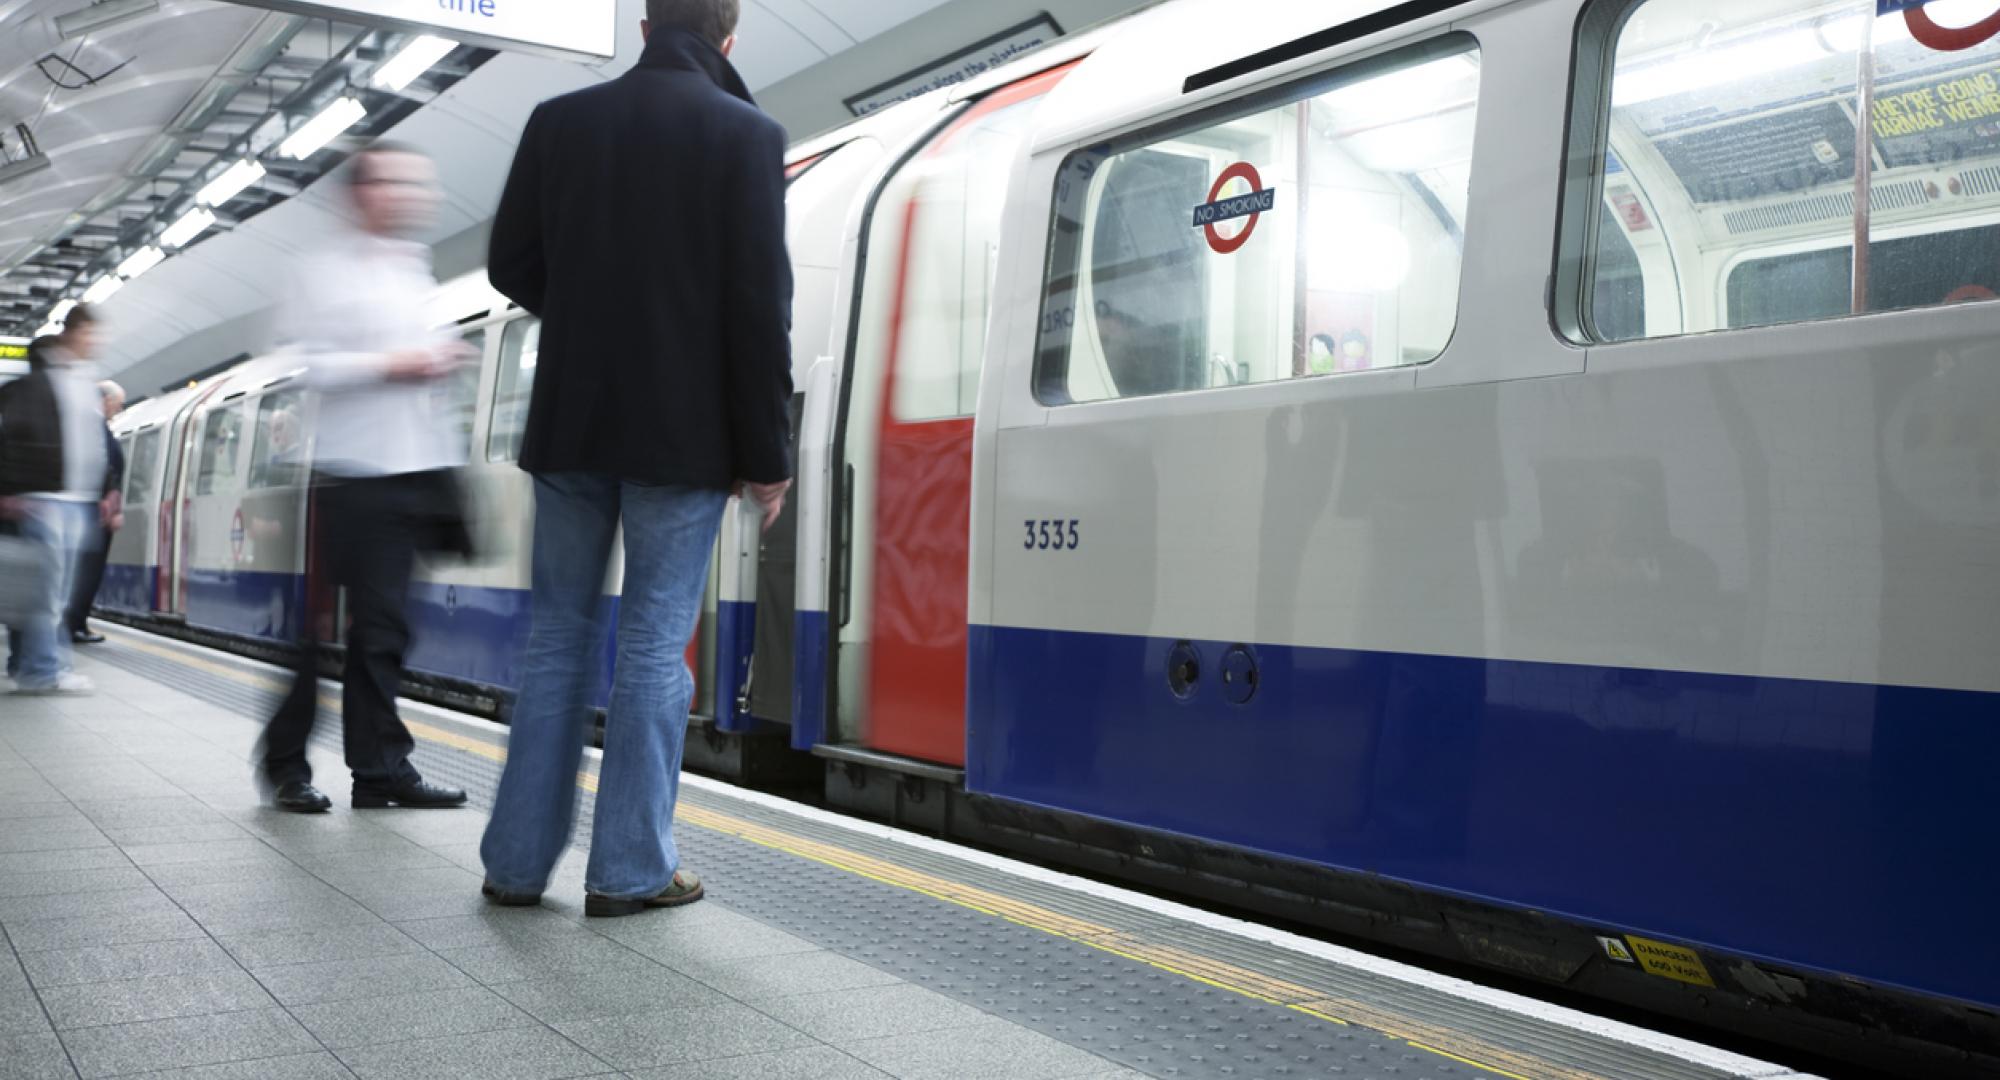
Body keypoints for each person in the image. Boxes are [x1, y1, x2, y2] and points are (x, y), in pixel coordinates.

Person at [479, 0, 794, 917]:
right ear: (727, 37)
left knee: (556, 643)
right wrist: (765, 454)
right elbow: (756, 310)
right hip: (682, 437)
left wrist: (586, 309)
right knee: (654, 646)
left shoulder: (559, 122)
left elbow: (509, 264)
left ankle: (515, 866)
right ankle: (628, 871)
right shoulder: (746, 134)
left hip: (573, 426)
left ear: (647, 26)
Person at [254, 143, 475, 814]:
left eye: (418, 183)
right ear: (361, 192)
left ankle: (380, 770)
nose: (413, 195)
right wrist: (394, 363)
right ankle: (286, 765)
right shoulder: (320, 272)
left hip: (414, 473)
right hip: (348, 476)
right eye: (397, 182)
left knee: (384, 631)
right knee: (315, 634)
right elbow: (307, 367)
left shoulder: (416, 269)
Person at [0, 308, 115, 695]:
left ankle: (35, 666)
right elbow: (14, 441)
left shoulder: (83, 381)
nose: (96, 342)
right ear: (75, 332)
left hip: (75, 499)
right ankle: (44, 670)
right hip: (47, 497)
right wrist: (11, 490)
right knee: (47, 593)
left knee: (52, 591)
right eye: (91, 334)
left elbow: (93, 444)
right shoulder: (36, 385)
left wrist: (104, 491)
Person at [67, 380, 126, 645]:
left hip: (93, 510)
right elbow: (103, 467)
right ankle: (74, 625)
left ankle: (76, 622)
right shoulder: (93, 425)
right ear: (105, 400)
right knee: (87, 571)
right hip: (95, 512)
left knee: (86, 571)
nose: (119, 408)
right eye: (118, 403)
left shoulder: (94, 425)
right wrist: (111, 505)